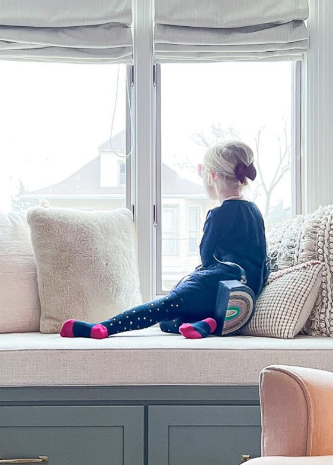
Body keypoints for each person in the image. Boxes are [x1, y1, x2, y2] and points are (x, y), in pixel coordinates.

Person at [61, 139, 268, 340]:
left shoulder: (219, 214)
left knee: (164, 308)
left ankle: (103, 328)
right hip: (244, 291)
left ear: (212, 175)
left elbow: (206, 256)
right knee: (167, 322)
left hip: (217, 283)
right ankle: (209, 322)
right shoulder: (254, 211)